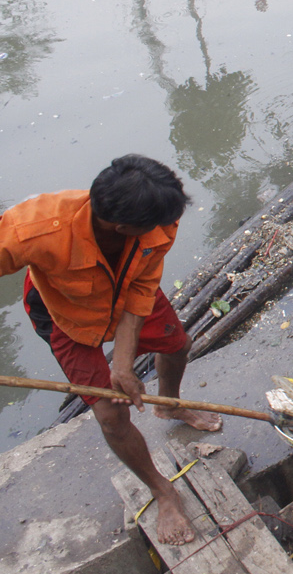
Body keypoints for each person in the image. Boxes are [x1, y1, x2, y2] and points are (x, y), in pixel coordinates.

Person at [1, 155, 219, 545]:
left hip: (130, 290)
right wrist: (116, 373)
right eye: (156, 225)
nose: (168, 227)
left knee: (177, 343)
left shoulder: (160, 218)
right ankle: (161, 490)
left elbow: (142, 288)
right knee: (110, 414)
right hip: (64, 312)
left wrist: (122, 362)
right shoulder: (32, 228)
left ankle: (168, 403)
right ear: (121, 227)